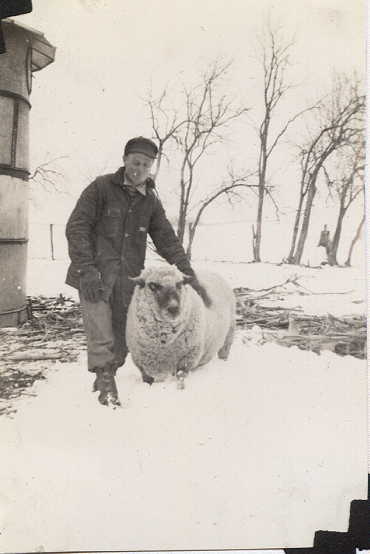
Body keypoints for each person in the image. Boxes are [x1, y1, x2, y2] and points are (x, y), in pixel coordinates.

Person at [65, 136, 210, 408]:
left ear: (151, 167)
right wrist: (87, 268)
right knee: (100, 330)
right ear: (125, 160)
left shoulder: (150, 202)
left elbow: (167, 239)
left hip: (127, 278)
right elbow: (77, 227)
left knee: (121, 335)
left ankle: (107, 372)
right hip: (94, 274)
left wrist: (188, 275)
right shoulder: (100, 188)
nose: (139, 168)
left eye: (145, 164)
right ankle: (106, 384)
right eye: (134, 162)